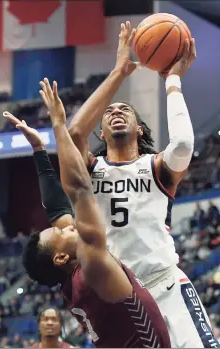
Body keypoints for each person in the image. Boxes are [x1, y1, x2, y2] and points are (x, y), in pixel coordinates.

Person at [39, 21, 219, 348]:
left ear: (139, 129)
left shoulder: (156, 168)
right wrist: (119, 72)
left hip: (166, 286)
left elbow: (182, 146)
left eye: (125, 109)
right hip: (122, 301)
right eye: (109, 112)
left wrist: (173, 80)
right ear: (101, 134)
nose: (117, 110)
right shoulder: (90, 171)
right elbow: (73, 134)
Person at [17, 79, 171, 348]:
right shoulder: (92, 268)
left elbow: (56, 208)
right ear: (62, 256)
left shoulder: (72, 278)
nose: (67, 226)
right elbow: (78, 189)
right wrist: (58, 125)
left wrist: (40, 151)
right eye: (60, 232)